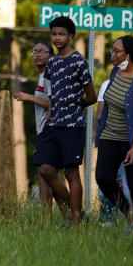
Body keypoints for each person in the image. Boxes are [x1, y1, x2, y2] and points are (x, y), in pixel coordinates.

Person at [34, 15, 96, 226]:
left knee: (72, 174)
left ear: (70, 36)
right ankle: (72, 206)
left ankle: (77, 224)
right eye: (54, 34)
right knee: (45, 169)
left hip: (73, 126)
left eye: (61, 34)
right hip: (52, 125)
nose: (57, 37)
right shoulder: (51, 63)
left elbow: (92, 96)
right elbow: (53, 94)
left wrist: (75, 108)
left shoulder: (79, 61)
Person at [94, 35, 133, 240]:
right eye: (112, 50)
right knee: (103, 178)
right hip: (110, 136)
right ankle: (128, 213)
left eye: (116, 51)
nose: (112, 54)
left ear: (128, 55)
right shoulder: (115, 72)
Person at [13, 41, 69, 220]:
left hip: (52, 132)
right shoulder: (42, 76)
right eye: (34, 51)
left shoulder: (50, 75)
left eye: (42, 51)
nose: (37, 54)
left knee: (49, 175)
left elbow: (54, 103)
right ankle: (65, 219)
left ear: (51, 56)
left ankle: (75, 213)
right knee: (44, 178)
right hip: (42, 133)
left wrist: (28, 97)